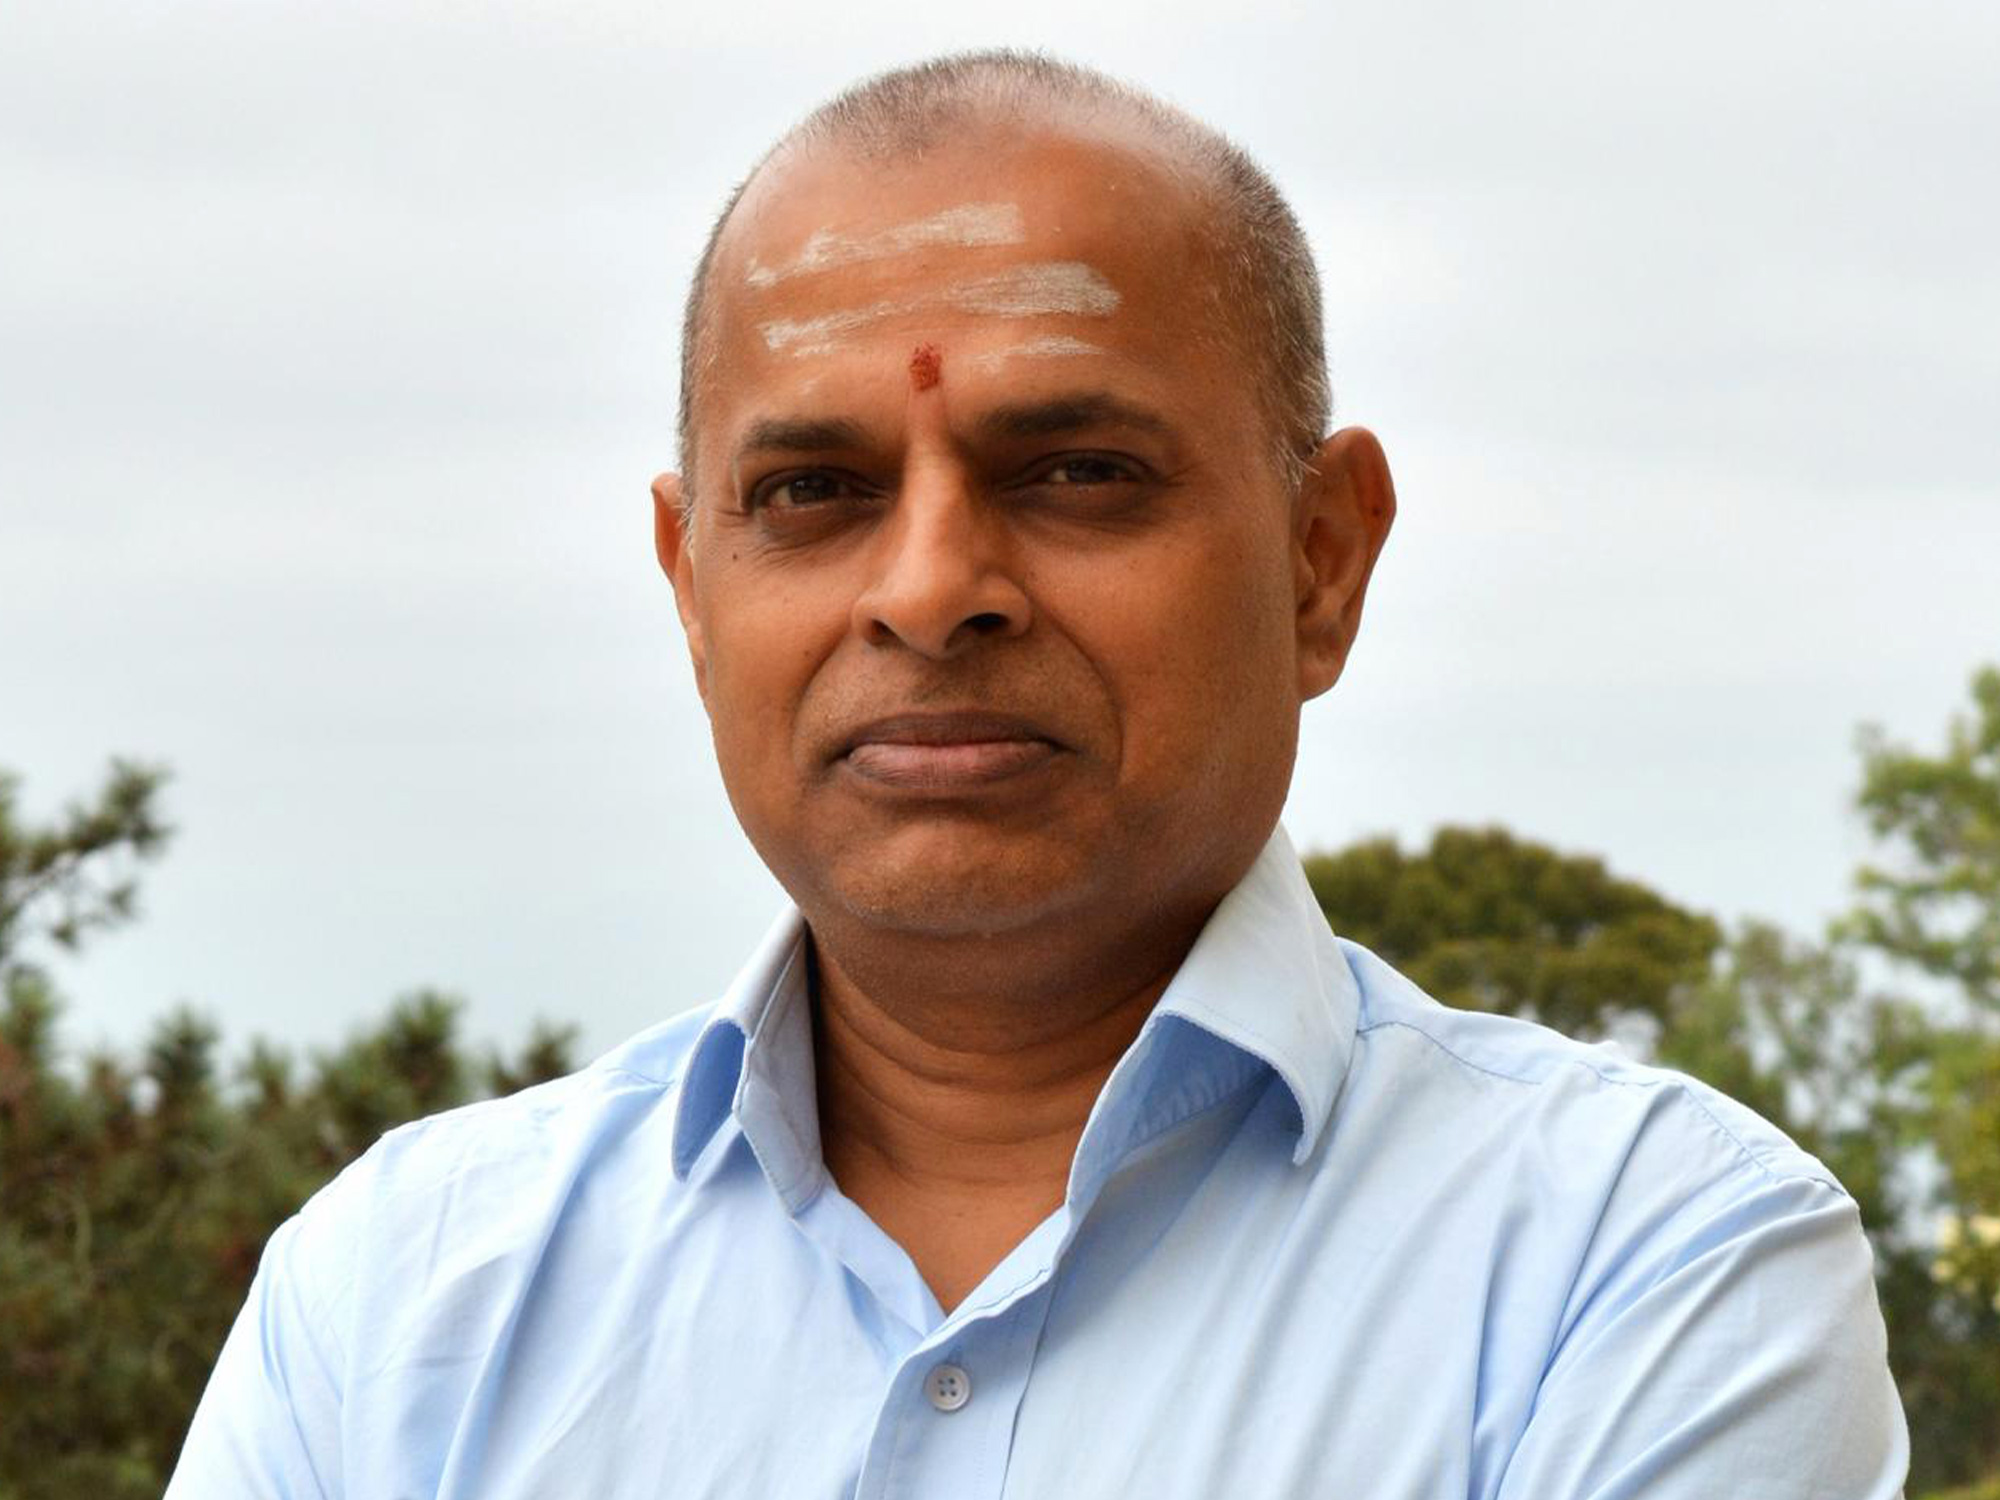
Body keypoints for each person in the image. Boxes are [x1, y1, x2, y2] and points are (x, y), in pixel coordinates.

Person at [169, 50, 1909, 1498]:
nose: (929, 590)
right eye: (811, 494)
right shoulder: (399, 1307)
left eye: (1076, 470)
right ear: (690, 590)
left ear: (1320, 560)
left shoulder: (1644, 1271)